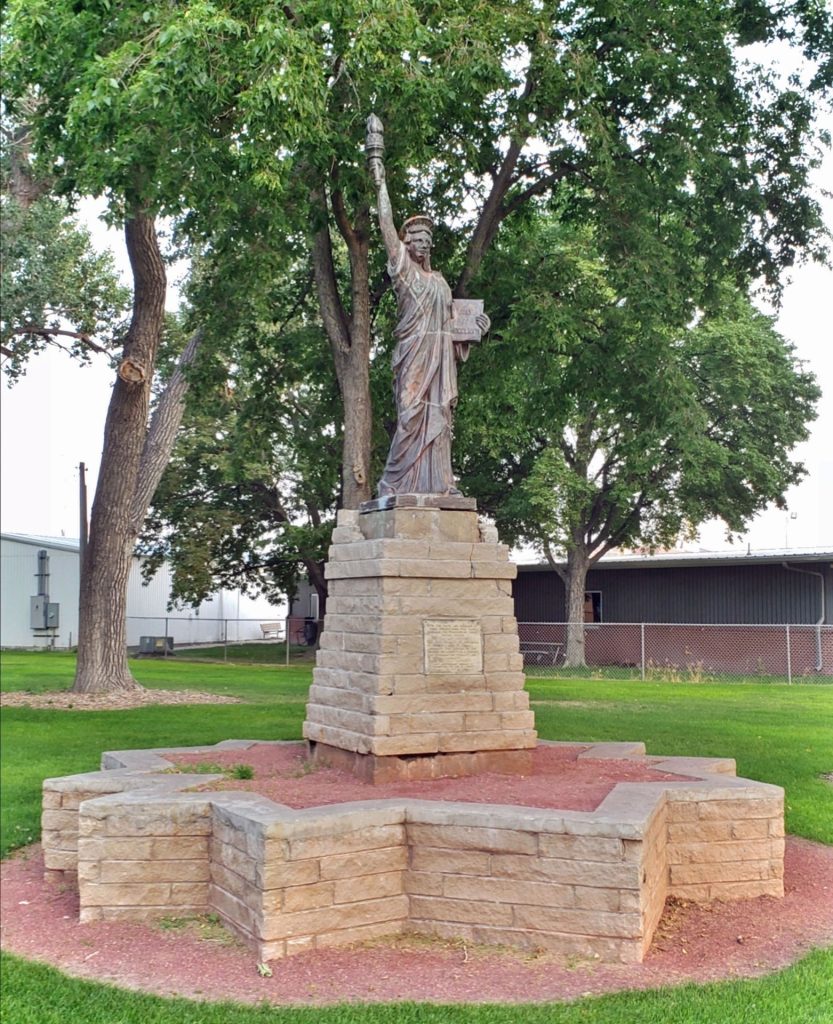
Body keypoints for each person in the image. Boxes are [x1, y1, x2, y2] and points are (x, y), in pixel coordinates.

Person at [367, 121, 488, 497]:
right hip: (413, 356)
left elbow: (454, 327)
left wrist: (475, 329)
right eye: (416, 239)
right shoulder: (405, 273)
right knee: (409, 416)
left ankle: (441, 484)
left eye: (427, 240)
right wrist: (378, 175)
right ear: (407, 244)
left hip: (440, 361)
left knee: (441, 417)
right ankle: (392, 484)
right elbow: (386, 225)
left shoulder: (439, 283)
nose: (422, 244)